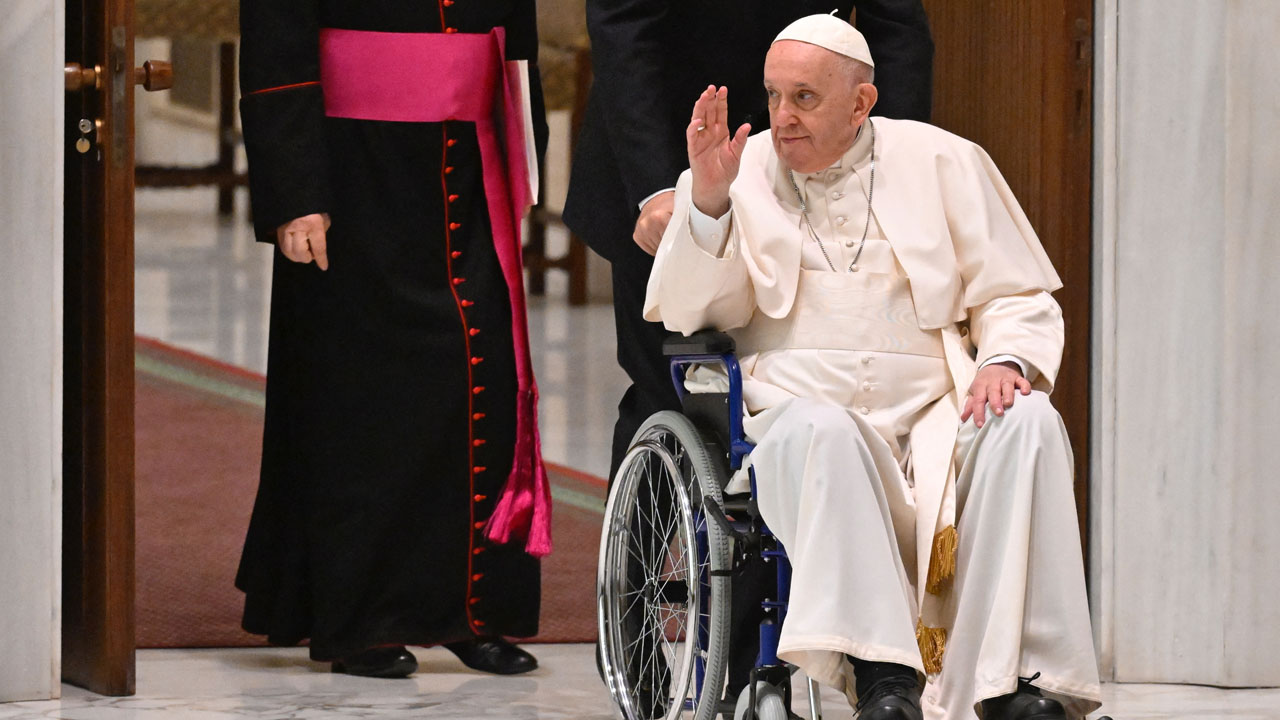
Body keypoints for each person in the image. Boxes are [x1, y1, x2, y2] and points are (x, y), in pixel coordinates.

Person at [643, 15, 1103, 720]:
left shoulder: (943, 161)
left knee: (1028, 420)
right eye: (773, 96)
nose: (782, 118)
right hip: (797, 411)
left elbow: (1015, 292)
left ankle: (1013, 681)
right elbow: (691, 311)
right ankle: (884, 678)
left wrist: (1004, 360)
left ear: (862, 103)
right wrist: (706, 202)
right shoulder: (739, 170)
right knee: (828, 431)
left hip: (935, 413)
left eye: (805, 98)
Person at [235, 1, 552, 678]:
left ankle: (473, 613)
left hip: (471, 164)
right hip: (352, 173)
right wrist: (294, 190)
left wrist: (523, 147)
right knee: (365, 402)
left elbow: (514, 34)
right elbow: (274, 38)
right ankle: (363, 619)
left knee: (480, 381)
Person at [564, 0, 934, 483]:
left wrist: (886, 165)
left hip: (817, 157)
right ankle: (644, 556)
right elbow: (624, 27)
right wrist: (657, 191)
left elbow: (897, 26)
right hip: (669, 138)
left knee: (809, 382)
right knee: (667, 392)